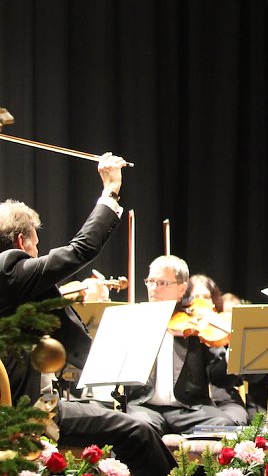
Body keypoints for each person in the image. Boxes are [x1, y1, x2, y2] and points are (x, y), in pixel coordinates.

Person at [0, 154, 176, 476]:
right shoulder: (10, 269)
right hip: (29, 414)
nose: (38, 256)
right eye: (37, 248)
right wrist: (110, 189)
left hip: (31, 405)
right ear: (21, 241)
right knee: (138, 433)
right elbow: (81, 250)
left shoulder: (13, 285)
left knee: (131, 429)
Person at [124, 255, 246, 434]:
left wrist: (232, 351)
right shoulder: (135, 322)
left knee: (223, 425)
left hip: (190, 409)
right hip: (144, 407)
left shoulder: (198, 322)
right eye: (150, 281)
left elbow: (219, 378)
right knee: (136, 427)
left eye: (162, 283)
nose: (154, 289)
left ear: (182, 289)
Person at [186, 273, 249, 426]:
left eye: (206, 297)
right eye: (195, 297)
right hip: (194, 405)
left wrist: (233, 349)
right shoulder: (183, 330)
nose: (201, 303)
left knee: (233, 421)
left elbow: (230, 378)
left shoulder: (223, 328)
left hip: (225, 399)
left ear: (215, 301)